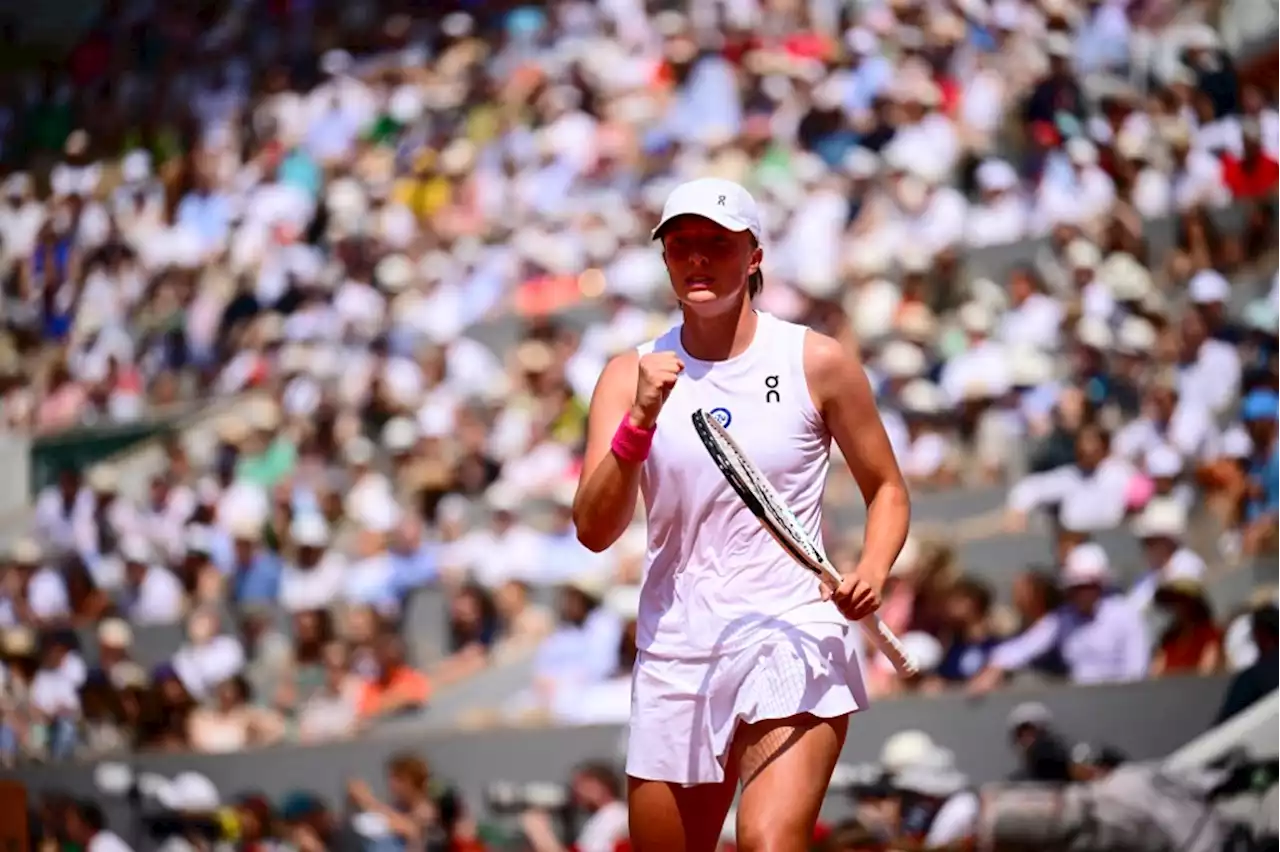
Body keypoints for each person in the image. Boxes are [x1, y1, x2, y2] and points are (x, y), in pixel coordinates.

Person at [573, 178, 911, 852]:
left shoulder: (815, 359)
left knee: (768, 842)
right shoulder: (627, 374)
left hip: (789, 629)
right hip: (677, 644)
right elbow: (594, 529)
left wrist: (872, 567)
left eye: (715, 245)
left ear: (753, 255)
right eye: (680, 247)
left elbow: (888, 489)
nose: (696, 260)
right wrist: (640, 418)